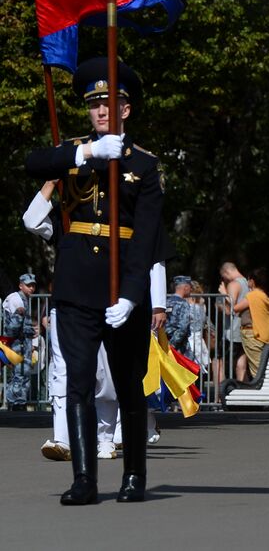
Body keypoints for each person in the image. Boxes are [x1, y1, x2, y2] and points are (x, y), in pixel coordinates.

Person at [24, 58, 163, 504]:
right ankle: (84, 479)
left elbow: (144, 241)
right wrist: (84, 154)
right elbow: (33, 162)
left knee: (127, 382)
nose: (101, 111)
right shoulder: (73, 153)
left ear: (126, 109)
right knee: (79, 382)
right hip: (77, 283)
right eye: (94, 105)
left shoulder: (144, 165)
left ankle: (134, 475)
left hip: (122, 286)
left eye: (109, 103)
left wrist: (130, 295)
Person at [3, 272, 38, 408]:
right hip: (17, 344)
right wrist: (19, 314)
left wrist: (29, 331)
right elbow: (12, 329)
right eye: (28, 285)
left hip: (23, 343)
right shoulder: (15, 299)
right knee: (19, 373)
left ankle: (18, 401)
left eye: (33, 285)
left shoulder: (23, 299)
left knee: (23, 373)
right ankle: (16, 403)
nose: (31, 288)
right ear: (21, 285)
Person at [235, 268, 269, 375]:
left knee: (257, 367)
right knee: (262, 363)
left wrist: (225, 293)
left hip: (252, 334)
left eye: (248, 280)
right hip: (264, 334)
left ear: (252, 281)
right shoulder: (264, 296)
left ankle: (261, 387)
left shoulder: (252, 296)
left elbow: (235, 308)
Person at [217, 263, 251, 381]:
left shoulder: (234, 284)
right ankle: (240, 391)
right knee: (241, 361)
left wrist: (222, 296)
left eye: (224, 277)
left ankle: (220, 396)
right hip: (245, 330)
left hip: (232, 331)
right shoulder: (249, 284)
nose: (224, 280)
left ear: (226, 273)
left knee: (219, 362)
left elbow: (228, 310)